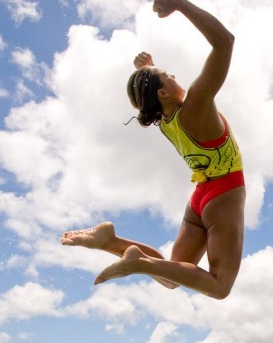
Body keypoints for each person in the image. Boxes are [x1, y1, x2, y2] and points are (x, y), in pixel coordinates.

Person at [61, 0, 245, 300]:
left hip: (199, 199)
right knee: (219, 285)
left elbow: (154, 91)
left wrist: (147, 68)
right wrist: (179, 4)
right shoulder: (196, 105)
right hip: (224, 192)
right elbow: (224, 42)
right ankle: (138, 262)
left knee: (169, 274)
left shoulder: (166, 119)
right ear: (162, 92)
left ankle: (109, 241)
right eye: (168, 76)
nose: (174, 76)